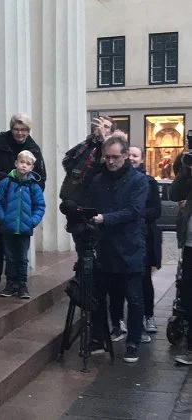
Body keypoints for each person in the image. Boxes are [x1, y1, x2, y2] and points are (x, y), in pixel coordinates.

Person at [88, 135, 148, 363]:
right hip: (104, 247)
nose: (111, 162)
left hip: (130, 247)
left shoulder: (139, 181)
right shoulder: (98, 180)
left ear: (125, 156)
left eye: (115, 157)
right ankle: (98, 337)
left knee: (133, 298)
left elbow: (134, 211)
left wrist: (106, 218)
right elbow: (91, 206)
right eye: (107, 157)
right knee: (98, 295)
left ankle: (133, 341)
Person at [0, 113, 46, 294]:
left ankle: (19, 282)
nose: (20, 133)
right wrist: (10, 179)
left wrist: (29, 196)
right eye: (16, 129)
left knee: (20, 249)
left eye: (24, 129)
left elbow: (41, 178)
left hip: (22, 207)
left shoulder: (34, 149)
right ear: (11, 129)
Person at [108, 146, 161, 344]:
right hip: (120, 238)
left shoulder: (148, 182)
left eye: (135, 155)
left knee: (143, 281)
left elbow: (156, 210)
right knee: (118, 283)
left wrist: (136, 214)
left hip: (143, 237)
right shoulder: (117, 181)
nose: (132, 158)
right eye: (129, 155)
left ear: (142, 159)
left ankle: (148, 316)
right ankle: (118, 321)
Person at [0, 150, 45, 299]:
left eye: (28, 164)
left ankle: (22, 284)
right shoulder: (6, 183)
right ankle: (10, 284)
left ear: (32, 167)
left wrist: (32, 221)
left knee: (22, 257)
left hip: (25, 229)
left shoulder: (33, 186)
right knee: (9, 257)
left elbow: (40, 206)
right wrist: (4, 218)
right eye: (22, 162)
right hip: (8, 228)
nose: (24, 166)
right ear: (16, 163)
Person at [169, 152, 192, 365]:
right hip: (190, 245)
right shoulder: (188, 172)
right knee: (188, 293)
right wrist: (186, 171)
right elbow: (174, 194)